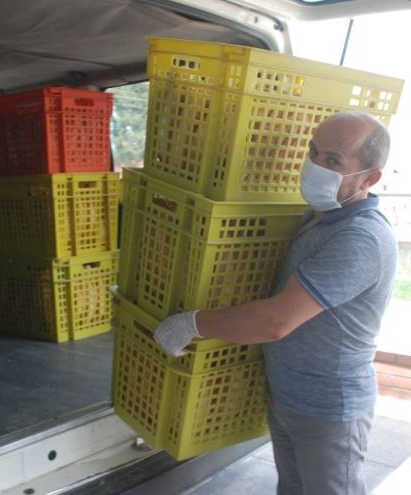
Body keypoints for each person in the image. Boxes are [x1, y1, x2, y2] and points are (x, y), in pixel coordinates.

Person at [154, 110, 398, 495]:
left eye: (332, 160)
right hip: (290, 398)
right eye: (313, 152)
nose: (315, 166)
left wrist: (192, 324)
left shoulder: (360, 238)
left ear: (369, 178)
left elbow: (276, 321)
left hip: (329, 410)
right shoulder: (320, 218)